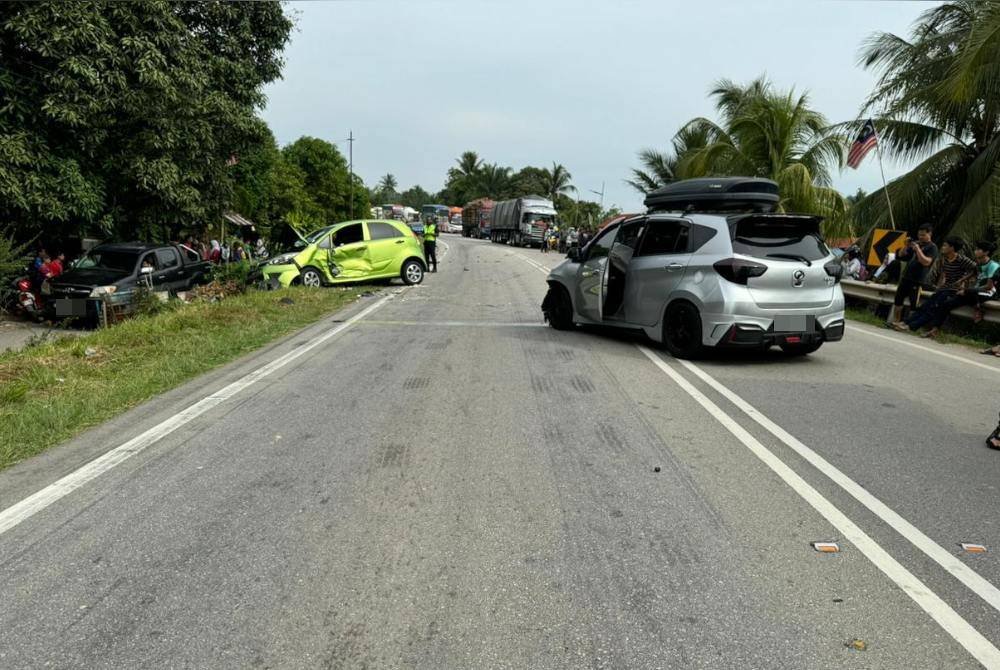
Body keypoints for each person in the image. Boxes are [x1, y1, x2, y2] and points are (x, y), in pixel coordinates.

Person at [894, 236, 977, 337]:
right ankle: (905, 322)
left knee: (933, 308)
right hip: (944, 288)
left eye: (945, 246)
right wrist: (939, 286)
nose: (942, 247)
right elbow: (943, 274)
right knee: (925, 305)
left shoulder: (961, 259)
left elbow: (976, 269)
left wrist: (964, 280)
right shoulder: (944, 259)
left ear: (952, 248)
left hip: (953, 290)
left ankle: (911, 327)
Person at [888, 225, 938, 326]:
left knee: (914, 304)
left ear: (929, 234)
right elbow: (901, 255)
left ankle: (909, 324)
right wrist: (906, 245)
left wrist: (918, 249)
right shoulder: (916, 244)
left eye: (923, 235)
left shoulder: (932, 247)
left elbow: (926, 262)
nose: (920, 237)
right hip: (906, 277)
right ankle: (895, 321)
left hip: (918, 280)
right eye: (919, 235)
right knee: (898, 300)